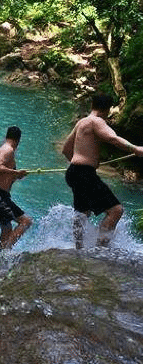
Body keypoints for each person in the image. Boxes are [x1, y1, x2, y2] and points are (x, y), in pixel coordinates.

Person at [62, 93, 143, 248]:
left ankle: (78, 248)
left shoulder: (82, 122)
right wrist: (136, 149)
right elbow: (112, 138)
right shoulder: (96, 121)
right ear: (107, 109)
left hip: (73, 172)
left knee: (82, 213)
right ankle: (100, 250)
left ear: (93, 105)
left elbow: (66, 149)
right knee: (116, 211)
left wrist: (80, 161)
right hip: (84, 173)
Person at [0, 126, 32, 250]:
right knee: (25, 222)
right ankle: (7, 253)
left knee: (6, 228)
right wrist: (15, 173)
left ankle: (1, 256)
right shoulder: (8, 150)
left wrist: (17, 176)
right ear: (18, 140)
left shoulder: (4, 149)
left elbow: (2, 174)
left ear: (6, 136)